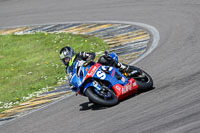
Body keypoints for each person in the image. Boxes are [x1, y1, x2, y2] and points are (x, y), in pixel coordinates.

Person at [59, 46, 138, 78]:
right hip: (88, 78)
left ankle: (124, 68)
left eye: (66, 59)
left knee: (103, 59)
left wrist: (88, 59)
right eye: (64, 60)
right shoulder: (68, 69)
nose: (65, 61)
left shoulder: (79, 55)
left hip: (96, 68)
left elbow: (92, 54)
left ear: (71, 55)